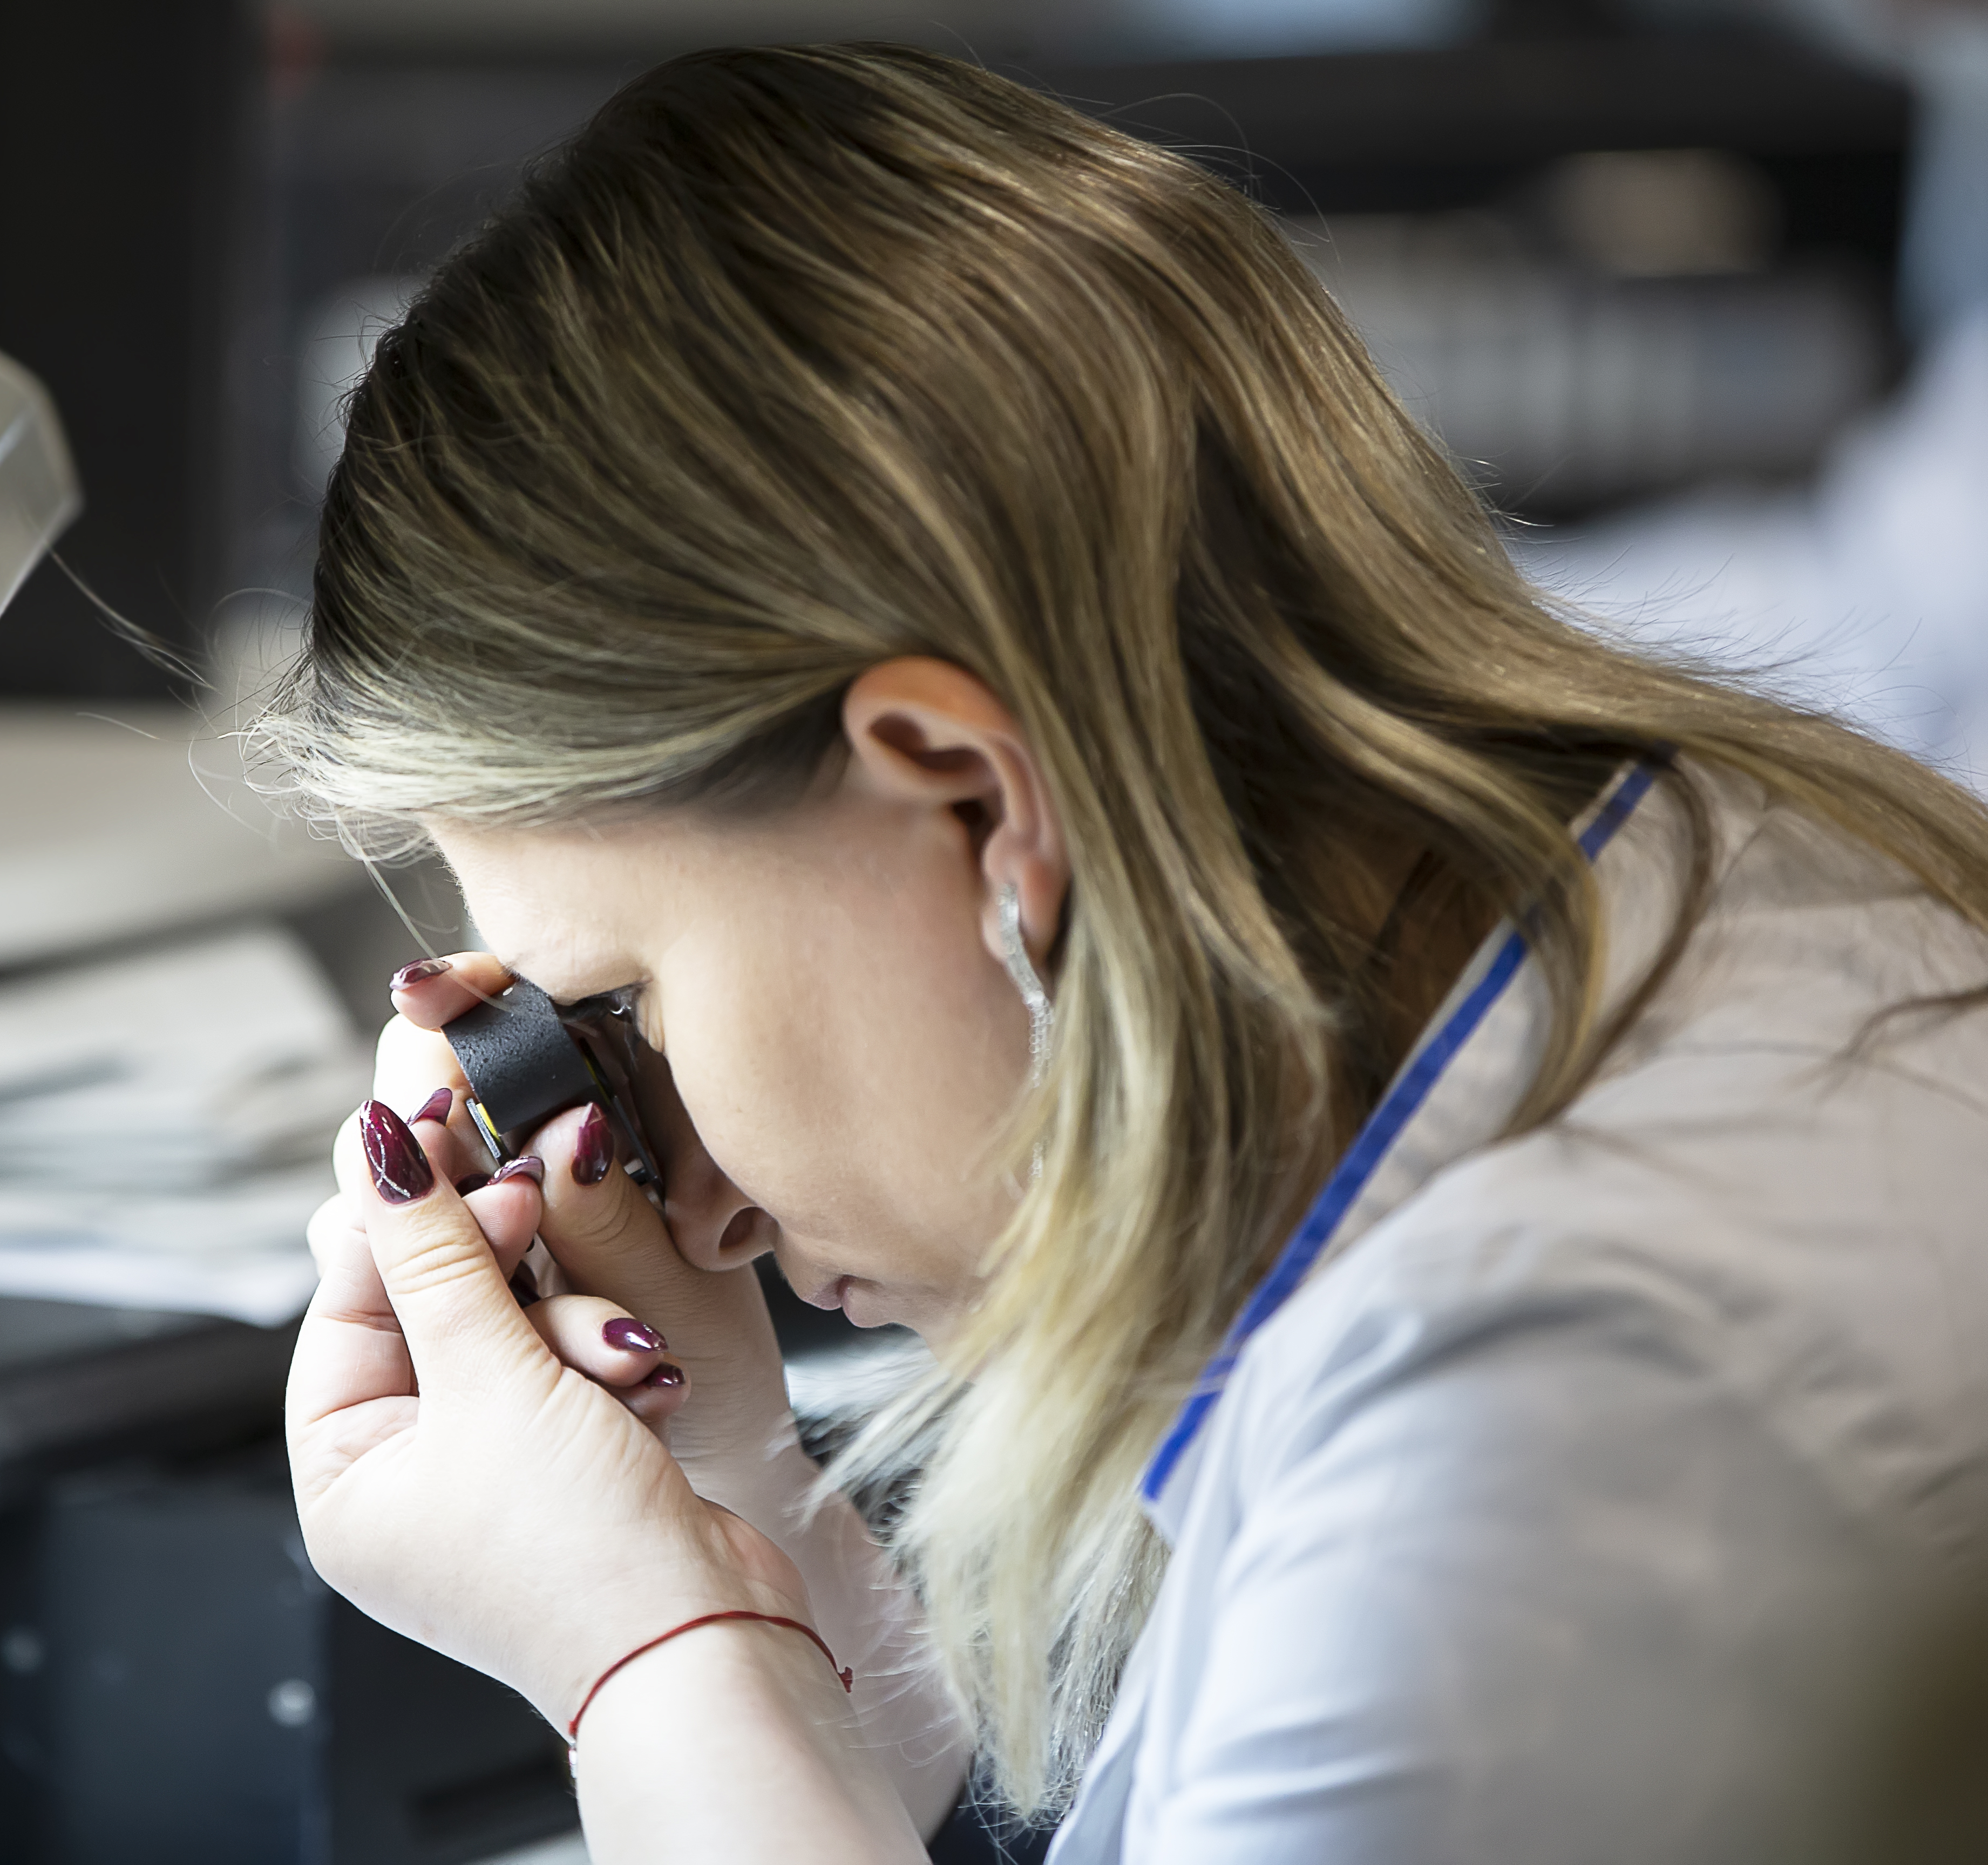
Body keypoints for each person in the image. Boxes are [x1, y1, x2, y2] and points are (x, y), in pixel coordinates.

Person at [264, 44, 1988, 1864]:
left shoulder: (1554, 1431)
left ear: (969, 802)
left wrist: (646, 1660)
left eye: (624, 1017)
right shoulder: (1710, 872)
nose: (693, 1215)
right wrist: (732, 1516)